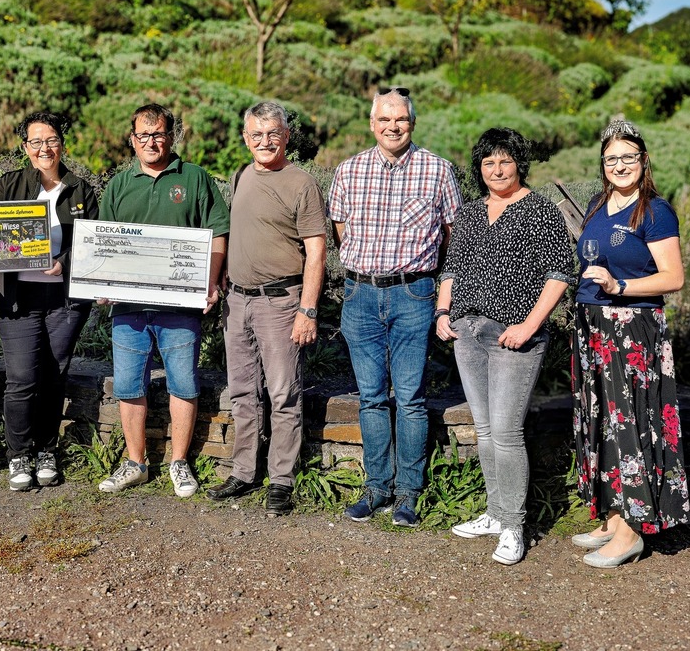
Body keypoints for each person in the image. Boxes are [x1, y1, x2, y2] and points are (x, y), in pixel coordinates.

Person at [434, 128, 573, 564]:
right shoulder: (472, 213)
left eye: (505, 161)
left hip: (514, 336)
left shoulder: (540, 211)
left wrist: (529, 326)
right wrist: (442, 313)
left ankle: (514, 525)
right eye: (488, 162)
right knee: (487, 431)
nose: (496, 169)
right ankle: (495, 513)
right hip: (467, 332)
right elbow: (451, 268)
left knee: (508, 433)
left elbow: (559, 274)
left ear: (519, 164)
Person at [327, 86, 462, 528]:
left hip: (413, 294)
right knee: (370, 397)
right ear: (372, 124)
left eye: (400, 119)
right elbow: (342, 231)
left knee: (410, 397)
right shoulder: (349, 171)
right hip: (360, 294)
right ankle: (376, 487)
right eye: (383, 120)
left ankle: (408, 492)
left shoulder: (438, 171)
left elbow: (451, 238)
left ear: (412, 123)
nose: (392, 127)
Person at [571, 119, 689, 568]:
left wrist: (619, 286)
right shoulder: (597, 203)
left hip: (632, 329)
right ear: (602, 164)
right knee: (600, 421)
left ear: (643, 161)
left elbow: (673, 278)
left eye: (628, 157)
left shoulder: (656, 211)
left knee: (631, 422)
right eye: (611, 158)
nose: (620, 165)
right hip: (592, 325)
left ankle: (632, 530)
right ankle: (612, 514)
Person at [96, 104, 229, 498]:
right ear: (132, 139)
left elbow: (218, 232)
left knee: (184, 383)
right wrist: (100, 280)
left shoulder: (195, 178)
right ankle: (134, 462)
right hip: (129, 308)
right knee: (127, 384)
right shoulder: (119, 184)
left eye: (159, 135)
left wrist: (211, 282)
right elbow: (103, 239)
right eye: (143, 135)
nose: (151, 142)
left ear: (172, 137)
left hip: (179, 306)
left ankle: (180, 463)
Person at [207, 102, 327, 516]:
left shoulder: (302, 184)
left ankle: (281, 479)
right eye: (256, 134)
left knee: (282, 394)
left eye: (272, 134)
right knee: (241, 392)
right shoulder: (241, 176)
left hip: (281, 303)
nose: (264, 141)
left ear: (286, 137)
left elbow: (316, 252)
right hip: (237, 301)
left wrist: (307, 310)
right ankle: (243, 471)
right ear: (245, 138)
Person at [0, 112, 99, 491]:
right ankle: (18, 455)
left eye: (51, 140)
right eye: (36, 142)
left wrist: (64, 263)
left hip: (64, 300)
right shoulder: (8, 185)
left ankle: (46, 450)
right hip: (17, 297)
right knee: (21, 378)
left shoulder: (81, 191)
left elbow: (92, 244)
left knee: (54, 377)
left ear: (62, 144)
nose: (44, 148)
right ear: (25, 148)